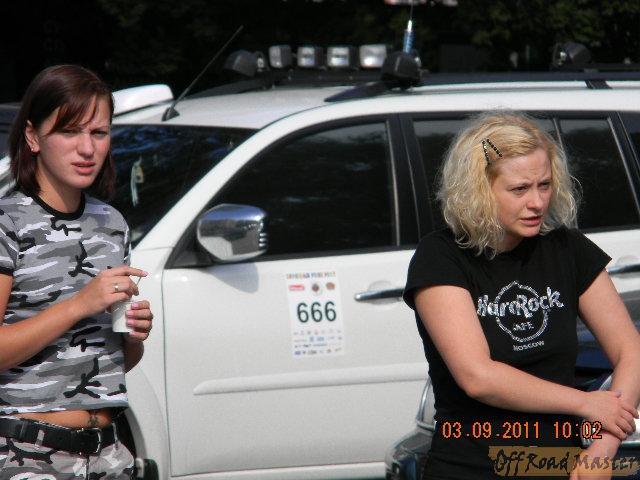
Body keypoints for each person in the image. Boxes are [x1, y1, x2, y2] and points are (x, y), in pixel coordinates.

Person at [404, 110, 640, 479]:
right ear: (478, 189)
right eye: (519, 189)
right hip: (472, 468)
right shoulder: (441, 256)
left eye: (544, 185)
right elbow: (478, 376)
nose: (537, 202)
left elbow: (631, 352)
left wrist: (603, 447)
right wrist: (585, 403)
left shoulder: (569, 249)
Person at [0, 65, 153, 479]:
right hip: (25, 455)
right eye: (69, 132)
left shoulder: (112, 224)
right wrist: (79, 305)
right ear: (33, 136)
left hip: (108, 453)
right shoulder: (7, 222)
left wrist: (133, 335)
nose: (87, 148)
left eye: (99, 132)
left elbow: (109, 362)